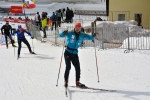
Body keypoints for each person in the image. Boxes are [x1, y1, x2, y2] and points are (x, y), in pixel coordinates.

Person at [59, 22, 95, 88]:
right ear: (74, 27)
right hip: (67, 52)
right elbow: (60, 35)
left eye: (79, 27)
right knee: (68, 67)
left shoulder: (82, 34)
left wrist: (93, 36)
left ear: (80, 28)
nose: (77, 29)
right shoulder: (70, 33)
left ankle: (77, 82)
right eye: (76, 27)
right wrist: (63, 33)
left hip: (75, 54)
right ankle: (66, 81)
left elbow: (90, 38)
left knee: (78, 68)